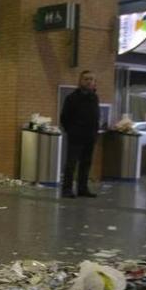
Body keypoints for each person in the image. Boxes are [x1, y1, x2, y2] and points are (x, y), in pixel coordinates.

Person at [60, 70, 100, 198]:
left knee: (86, 163)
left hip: (90, 136)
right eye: (86, 79)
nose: (89, 82)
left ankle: (82, 188)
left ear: (94, 82)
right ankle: (67, 189)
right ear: (80, 81)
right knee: (71, 163)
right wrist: (71, 131)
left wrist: (95, 132)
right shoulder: (72, 98)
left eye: (91, 79)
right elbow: (64, 117)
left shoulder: (94, 98)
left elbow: (96, 116)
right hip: (76, 136)